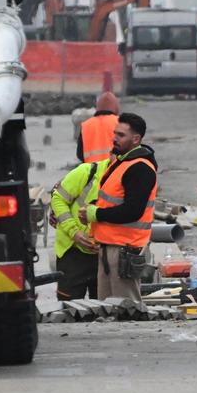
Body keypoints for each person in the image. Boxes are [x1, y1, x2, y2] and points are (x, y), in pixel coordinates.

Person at [79, 113, 157, 302]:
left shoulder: (140, 168)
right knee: (107, 309)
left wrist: (96, 213)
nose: (114, 138)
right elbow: (115, 201)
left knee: (126, 309)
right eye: (115, 133)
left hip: (124, 250)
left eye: (121, 135)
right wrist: (95, 209)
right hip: (110, 248)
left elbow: (133, 211)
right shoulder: (123, 163)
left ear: (136, 139)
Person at [50, 158, 109, 300]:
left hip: (105, 254)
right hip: (73, 252)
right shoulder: (87, 173)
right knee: (69, 310)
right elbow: (58, 199)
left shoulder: (127, 180)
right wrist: (74, 232)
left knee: (104, 310)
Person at [77, 91, 119, 163]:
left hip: (92, 171)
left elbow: (80, 154)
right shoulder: (120, 122)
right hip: (114, 169)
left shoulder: (85, 125)